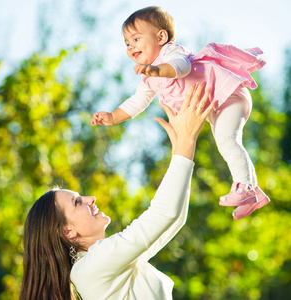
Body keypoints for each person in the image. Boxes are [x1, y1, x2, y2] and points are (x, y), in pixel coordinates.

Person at [20, 84, 215, 300]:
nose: (90, 199)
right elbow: (163, 215)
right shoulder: (89, 269)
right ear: (67, 232)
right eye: (77, 202)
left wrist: (183, 147)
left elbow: (173, 218)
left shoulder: (106, 263)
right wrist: (185, 144)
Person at [91, 6, 270, 220]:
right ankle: (254, 193)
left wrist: (158, 70)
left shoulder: (170, 53)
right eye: (127, 43)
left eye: (136, 39)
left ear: (161, 37)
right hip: (215, 105)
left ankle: (244, 188)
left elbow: (181, 67)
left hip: (229, 94)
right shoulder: (149, 76)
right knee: (226, 141)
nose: (131, 47)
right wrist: (113, 117)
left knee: (226, 140)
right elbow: (138, 101)